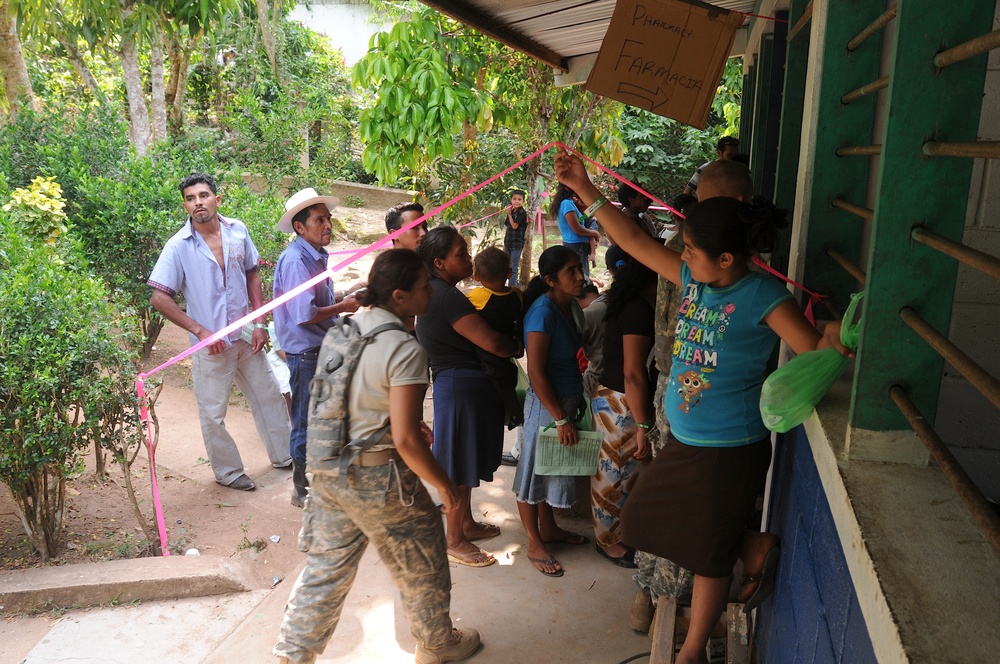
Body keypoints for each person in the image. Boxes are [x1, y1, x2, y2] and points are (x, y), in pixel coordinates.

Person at [555, 149, 852, 664]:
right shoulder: (695, 278)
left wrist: (837, 341)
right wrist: (584, 188)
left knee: (707, 553)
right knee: (642, 521)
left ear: (727, 259)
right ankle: (750, 547)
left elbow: (809, 352)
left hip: (729, 447)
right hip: (687, 441)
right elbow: (633, 239)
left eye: (691, 250)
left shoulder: (765, 297)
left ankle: (691, 651)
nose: (682, 256)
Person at [273, 249, 481, 664]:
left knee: (324, 573)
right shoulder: (405, 348)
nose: (431, 291)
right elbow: (406, 441)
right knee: (423, 558)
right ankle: (437, 643)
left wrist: (386, 420)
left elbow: (337, 403)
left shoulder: (344, 329)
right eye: (424, 286)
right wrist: (445, 486)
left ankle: (291, 657)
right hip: (378, 480)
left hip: (328, 471)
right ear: (400, 296)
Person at [148, 173, 291, 492]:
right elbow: (159, 297)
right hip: (211, 348)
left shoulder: (237, 230)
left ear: (216, 199)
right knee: (213, 413)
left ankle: (285, 455)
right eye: (190, 198)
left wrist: (259, 322)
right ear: (185, 205)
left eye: (203, 195)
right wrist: (199, 330)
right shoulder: (178, 247)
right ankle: (228, 472)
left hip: (247, 338)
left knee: (269, 396)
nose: (198, 202)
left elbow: (252, 272)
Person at [415, 227, 518, 567]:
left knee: (464, 459)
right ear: (440, 262)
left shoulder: (439, 290)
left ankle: (466, 525)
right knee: (457, 465)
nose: (469, 258)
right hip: (460, 385)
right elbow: (492, 342)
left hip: (461, 384)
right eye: (461, 253)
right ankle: (454, 539)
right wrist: (519, 345)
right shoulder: (446, 297)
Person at [273, 188, 364, 508]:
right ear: (300, 227)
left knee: (327, 416)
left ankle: (325, 478)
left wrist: (344, 293)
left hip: (320, 348)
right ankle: (301, 487)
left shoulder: (314, 256)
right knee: (306, 419)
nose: (328, 225)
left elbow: (315, 301)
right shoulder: (298, 261)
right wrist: (343, 306)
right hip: (307, 353)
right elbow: (304, 314)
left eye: (328, 219)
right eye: (319, 220)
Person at [512, 245, 591, 578]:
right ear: (550, 280)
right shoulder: (543, 312)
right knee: (532, 473)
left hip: (564, 402)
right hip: (547, 406)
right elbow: (537, 372)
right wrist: (559, 417)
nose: (580, 276)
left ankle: (551, 528)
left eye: (579, 268)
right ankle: (534, 541)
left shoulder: (567, 306)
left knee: (548, 467)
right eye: (570, 271)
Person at [589, 253, 657, 569]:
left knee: (615, 472)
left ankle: (616, 536)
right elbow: (633, 372)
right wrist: (643, 424)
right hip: (621, 402)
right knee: (615, 475)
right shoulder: (638, 310)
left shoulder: (622, 301)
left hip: (610, 395)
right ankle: (610, 543)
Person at [466, 246, 525, 429]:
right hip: (509, 343)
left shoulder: (478, 296)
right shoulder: (517, 294)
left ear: (476, 276)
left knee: (498, 380)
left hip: (486, 349)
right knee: (507, 376)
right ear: (509, 272)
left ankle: (515, 412)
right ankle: (513, 411)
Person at [549, 184, 601, 280]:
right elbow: (577, 229)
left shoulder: (567, 203)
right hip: (577, 246)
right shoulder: (567, 204)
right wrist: (595, 233)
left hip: (576, 245)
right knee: (582, 277)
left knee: (579, 275)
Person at [503, 190, 527, 286]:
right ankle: (504, 285)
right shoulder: (512, 211)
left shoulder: (522, 213)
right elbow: (507, 224)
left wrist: (509, 214)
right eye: (514, 199)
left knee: (513, 267)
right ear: (511, 200)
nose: (517, 201)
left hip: (516, 244)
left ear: (523, 201)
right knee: (506, 265)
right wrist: (509, 213)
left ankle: (512, 288)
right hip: (508, 242)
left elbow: (514, 226)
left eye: (519, 199)